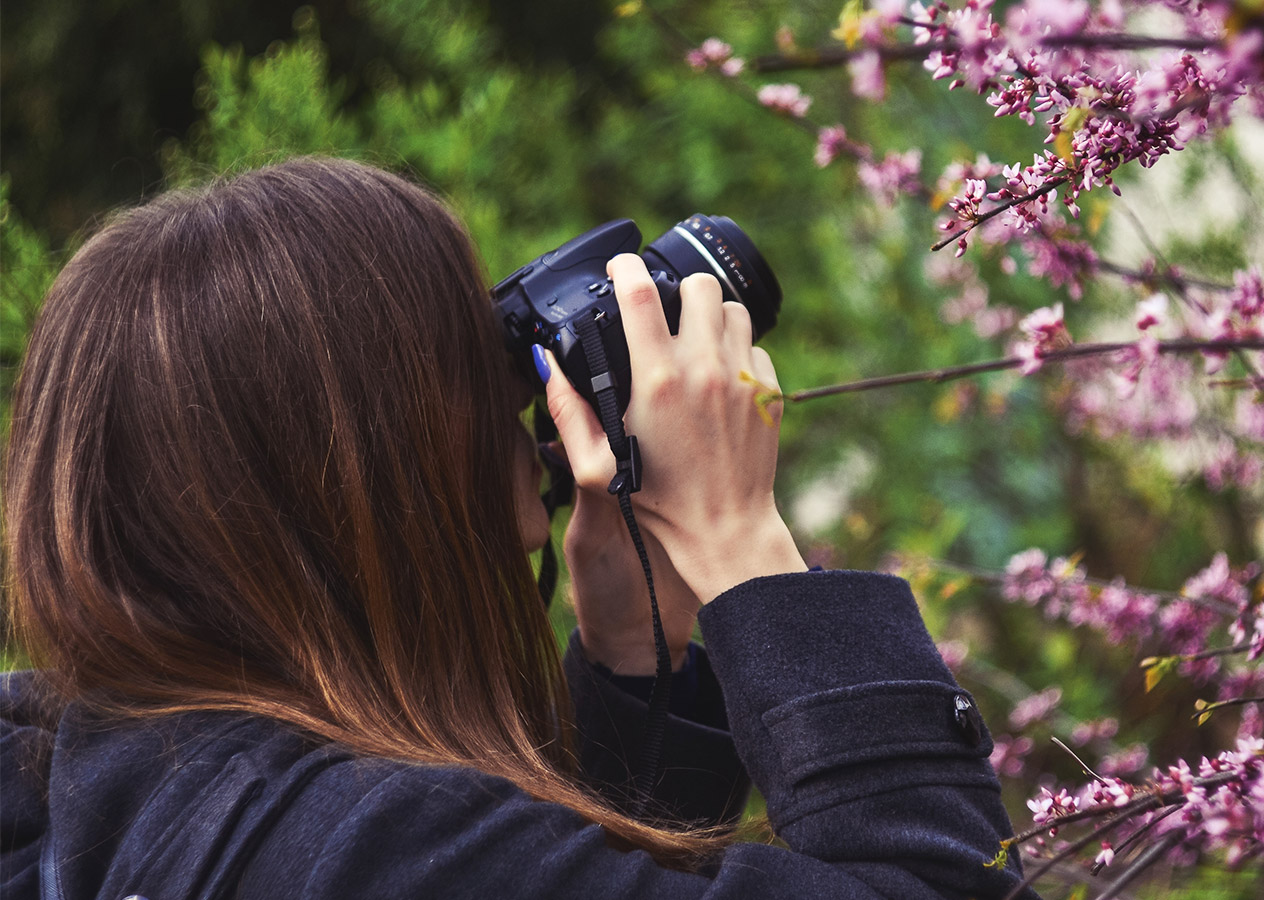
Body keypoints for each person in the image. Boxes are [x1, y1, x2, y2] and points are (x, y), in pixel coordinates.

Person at [0, 157, 1030, 899]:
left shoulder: (98, 780)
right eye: (473, 360)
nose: (516, 396)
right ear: (362, 457)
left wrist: (635, 662)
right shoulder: (372, 850)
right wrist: (741, 544)